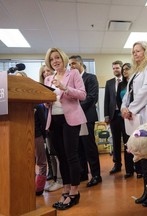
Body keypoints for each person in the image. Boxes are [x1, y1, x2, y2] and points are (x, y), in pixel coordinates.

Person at [44, 48, 87, 210]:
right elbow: (47, 100)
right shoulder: (48, 79)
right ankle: (66, 189)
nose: (55, 61)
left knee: (71, 156)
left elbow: (82, 95)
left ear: (63, 58)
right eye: (52, 59)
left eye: (57, 58)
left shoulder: (73, 74)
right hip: (54, 120)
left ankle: (75, 192)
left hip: (70, 120)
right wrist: (46, 101)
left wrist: (64, 87)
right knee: (61, 156)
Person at [121, 41, 147, 207]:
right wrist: (124, 107)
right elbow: (127, 93)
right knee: (142, 156)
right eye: (133, 51)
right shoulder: (136, 71)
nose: (135, 54)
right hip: (136, 115)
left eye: (139, 51)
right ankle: (146, 191)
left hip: (146, 114)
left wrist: (131, 108)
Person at [69, 55, 102, 187]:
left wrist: (75, 108)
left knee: (89, 146)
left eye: (73, 64)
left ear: (80, 64)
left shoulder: (90, 77)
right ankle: (82, 173)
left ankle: (96, 175)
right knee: (78, 147)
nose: (71, 67)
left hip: (87, 116)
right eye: (69, 65)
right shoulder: (71, 80)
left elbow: (92, 97)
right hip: (74, 118)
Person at [116, 63, 140, 178]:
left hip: (137, 115)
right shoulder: (121, 85)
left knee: (139, 143)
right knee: (128, 144)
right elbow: (118, 101)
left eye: (127, 69)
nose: (124, 71)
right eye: (123, 69)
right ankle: (129, 170)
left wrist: (132, 110)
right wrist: (123, 111)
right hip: (125, 116)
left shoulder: (136, 82)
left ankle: (139, 170)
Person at [104, 60, 125, 174]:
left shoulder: (127, 81)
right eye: (113, 68)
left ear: (121, 68)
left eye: (117, 68)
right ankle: (117, 164)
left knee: (128, 141)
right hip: (113, 116)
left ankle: (131, 165)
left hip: (125, 116)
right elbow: (107, 99)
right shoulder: (109, 83)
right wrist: (106, 115)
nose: (115, 70)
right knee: (115, 141)